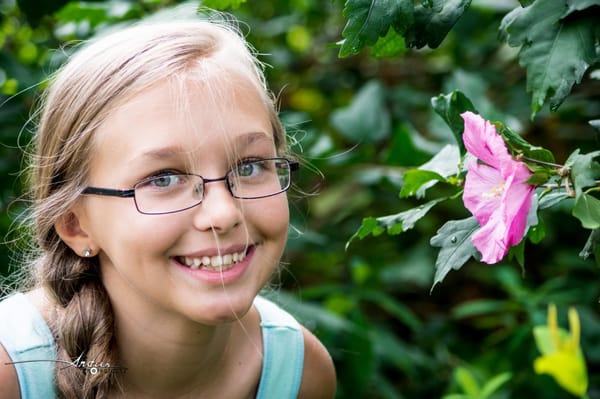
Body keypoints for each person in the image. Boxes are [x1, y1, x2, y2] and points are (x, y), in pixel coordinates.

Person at [0, 14, 336, 399]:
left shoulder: (298, 375)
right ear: (76, 225)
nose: (224, 213)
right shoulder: (12, 374)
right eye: (163, 179)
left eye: (249, 166)